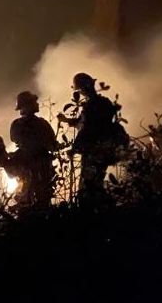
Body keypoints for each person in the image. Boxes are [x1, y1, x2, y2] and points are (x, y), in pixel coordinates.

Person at [57, 73, 130, 203]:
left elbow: (87, 129)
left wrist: (74, 149)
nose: (80, 93)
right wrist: (67, 120)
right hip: (106, 150)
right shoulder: (104, 102)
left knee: (88, 187)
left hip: (94, 151)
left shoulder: (90, 106)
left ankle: (93, 211)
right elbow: (89, 123)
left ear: (83, 89)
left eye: (79, 90)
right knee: (97, 182)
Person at [9, 91, 60, 208]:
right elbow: (15, 138)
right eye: (33, 102)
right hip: (28, 166)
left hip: (41, 165)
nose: (37, 104)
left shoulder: (41, 123)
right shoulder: (18, 124)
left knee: (42, 196)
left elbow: (53, 145)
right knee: (28, 196)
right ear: (25, 106)